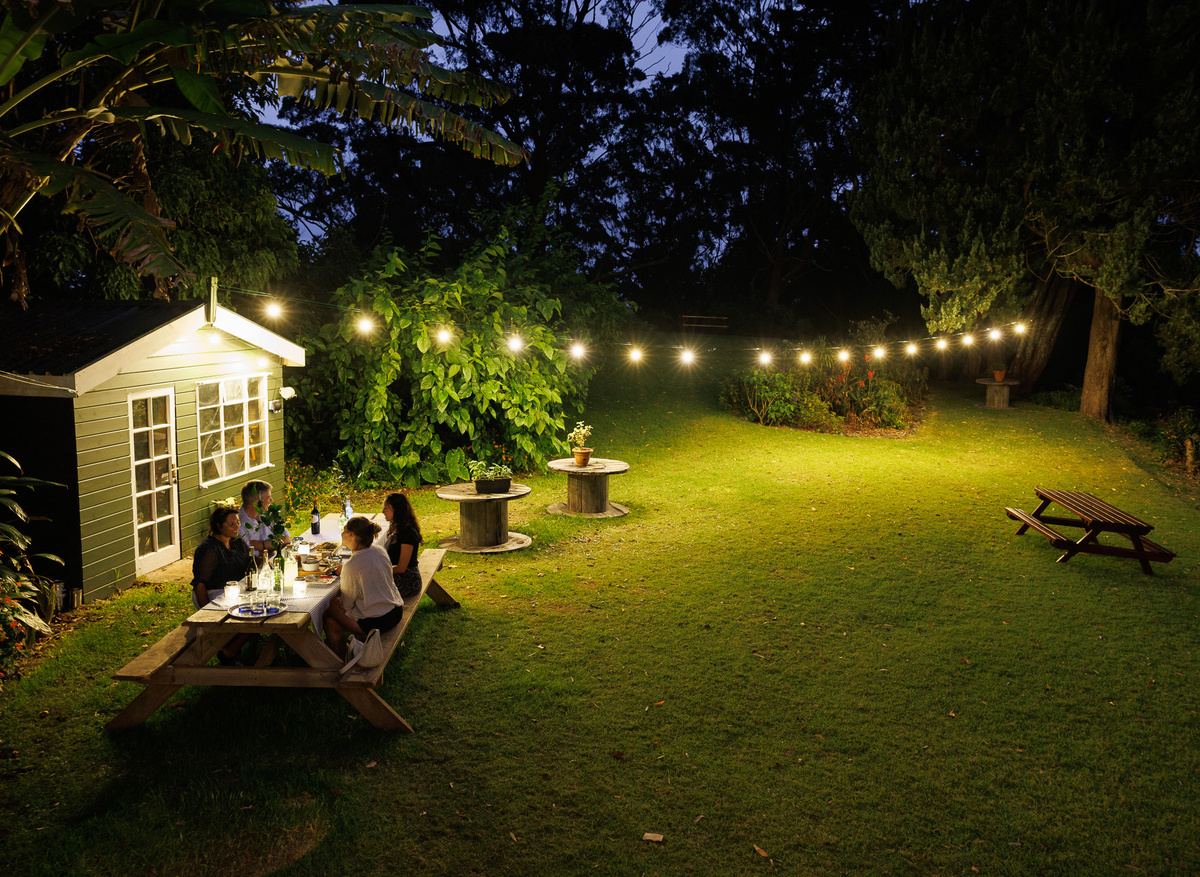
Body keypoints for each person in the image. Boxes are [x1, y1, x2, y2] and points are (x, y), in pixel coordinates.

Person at [323, 516, 405, 660]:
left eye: (344, 531)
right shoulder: (380, 551)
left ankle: (339, 661)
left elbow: (347, 605)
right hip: (395, 611)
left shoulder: (352, 565)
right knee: (332, 622)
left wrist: (336, 600)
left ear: (352, 534)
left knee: (329, 607)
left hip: (377, 621)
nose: (342, 534)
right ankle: (343, 657)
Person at [191, 506, 253, 665]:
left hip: (235, 591)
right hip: (214, 594)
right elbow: (200, 585)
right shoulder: (209, 549)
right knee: (253, 614)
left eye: (238, 522)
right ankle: (229, 651)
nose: (237, 526)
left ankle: (237, 644)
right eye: (231, 524)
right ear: (219, 526)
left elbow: (250, 563)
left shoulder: (237, 543)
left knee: (263, 607)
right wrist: (208, 614)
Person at [380, 492, 424, 600]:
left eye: (386, 508)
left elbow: (401, 568)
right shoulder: (395, 526)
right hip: (396, 576)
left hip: (408, 581)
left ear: (397, 509)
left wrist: (379, 571)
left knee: (368, 588)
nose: (383, 511)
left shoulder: (407, 533)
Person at [239, 479, 289, 563]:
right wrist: (272, 547)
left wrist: (263, 545)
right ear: (256, 502)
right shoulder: (238, 522)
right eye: (268, 497)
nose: (271, 501)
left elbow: (287, 539)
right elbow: (251, 556)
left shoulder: (267, 514)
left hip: (272, 562)